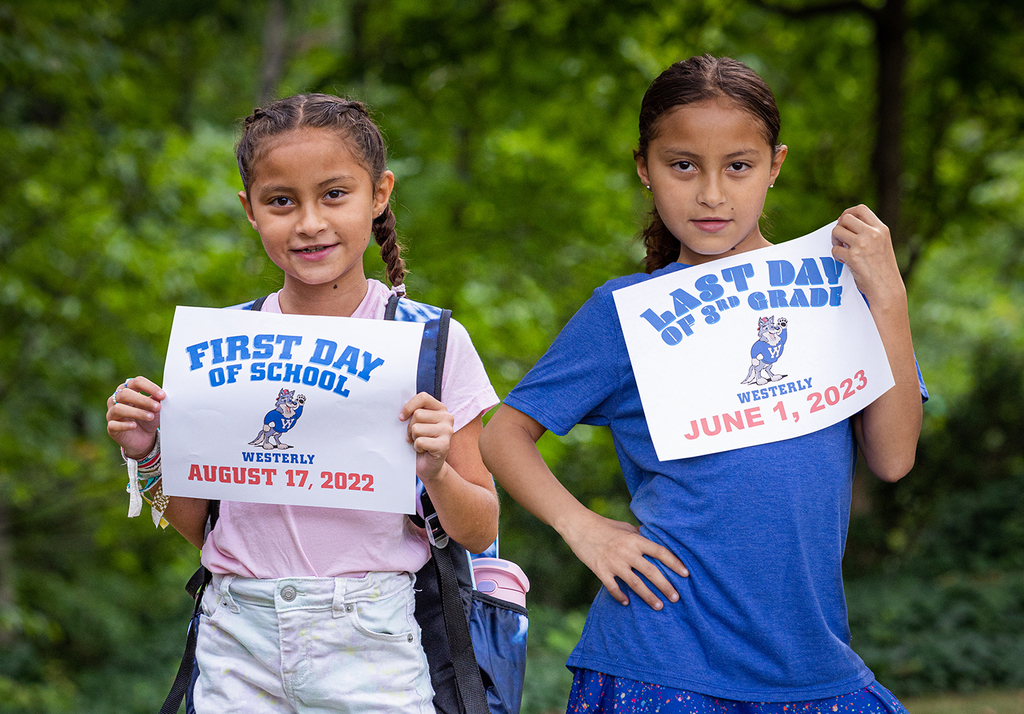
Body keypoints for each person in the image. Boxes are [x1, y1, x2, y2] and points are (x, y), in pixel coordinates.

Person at [479, 55, 926, 714]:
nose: (711, 193)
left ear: (775, 166)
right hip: (660, 658)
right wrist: (583, 528)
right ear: (644, 168)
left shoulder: (839, 297)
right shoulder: (623, 311)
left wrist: (887, 296)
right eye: (682, 165)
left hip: (812, 658)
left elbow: (892, 458)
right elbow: (503, 435)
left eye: (738, 166)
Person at [105, 93, 500, 714]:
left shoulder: (431, 341)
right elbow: (200, 526)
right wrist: (149, 450)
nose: (309, 222)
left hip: (373, 640)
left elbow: (481, 528)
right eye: (281, 201)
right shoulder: (221, 348)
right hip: (237, 635)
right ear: (250, 210)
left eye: (335, 194)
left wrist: (436, 471)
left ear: (380, 195)